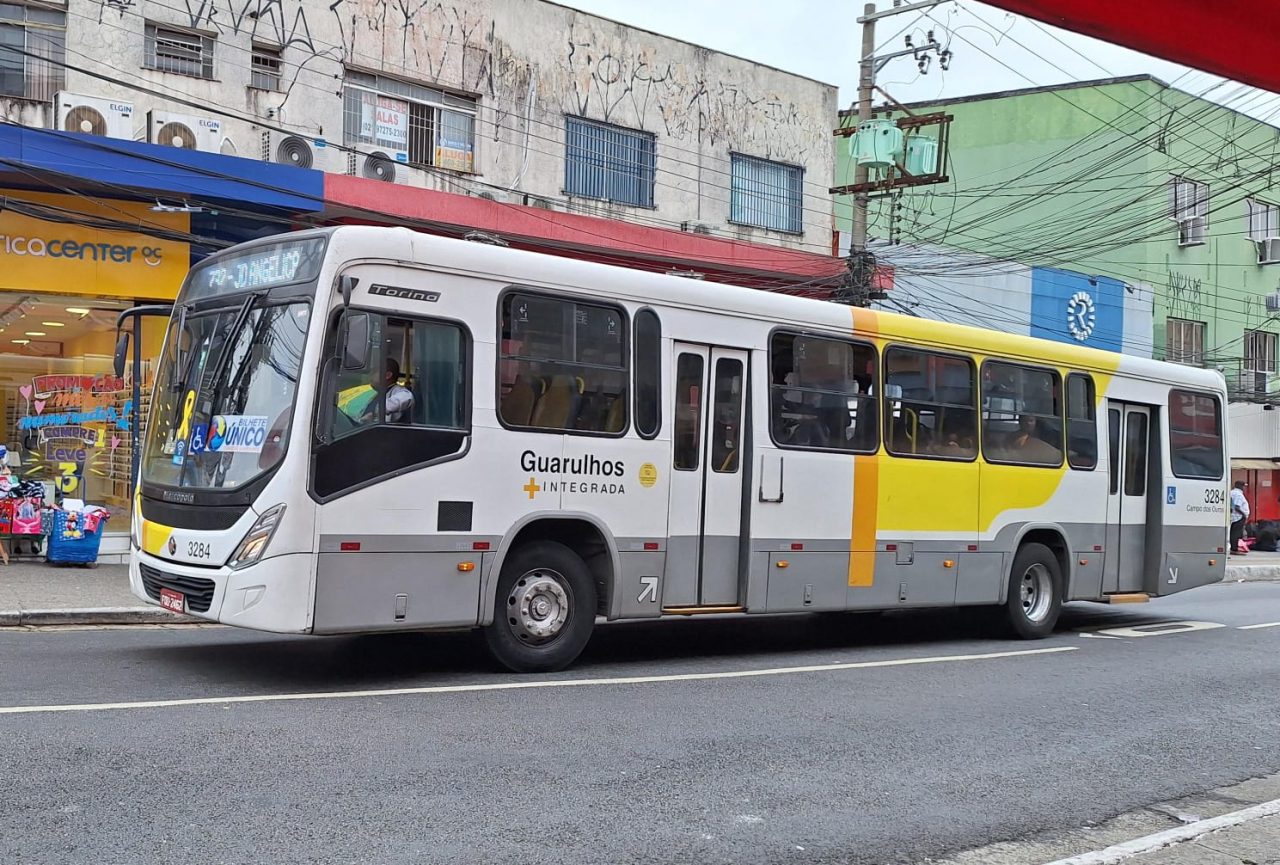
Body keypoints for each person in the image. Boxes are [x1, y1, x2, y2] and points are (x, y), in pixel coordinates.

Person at [364, 358, 414, 424]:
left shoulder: (400, 392)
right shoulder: (378, 395)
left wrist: (376, 412)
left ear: (388, 375)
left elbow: (407, 397)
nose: (371, 375)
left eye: (374, 372)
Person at [1230, 480, 1250, 555]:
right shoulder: (1238, 494)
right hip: (1238, 517)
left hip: (1234, 517)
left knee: (1233, 533)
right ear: (1240, 486)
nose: (1245, 488)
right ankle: (1234, 549)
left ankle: (1234, 548)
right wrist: (1244, 515)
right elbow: (1237, 507)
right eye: (1244, 486)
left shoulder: (1232, 492)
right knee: (1236, 534)